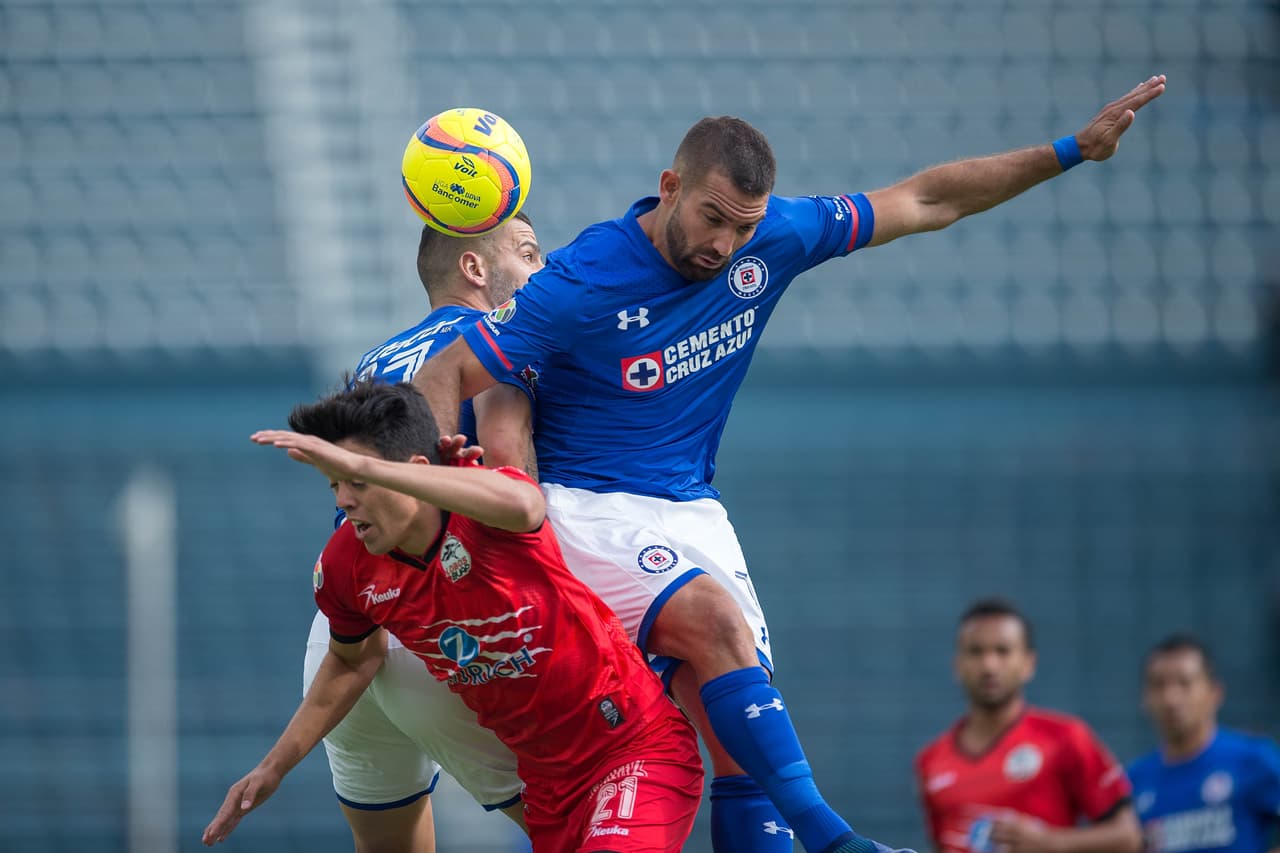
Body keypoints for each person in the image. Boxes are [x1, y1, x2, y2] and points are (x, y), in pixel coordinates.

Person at [412, 77, 1167, 853]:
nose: (724, 246)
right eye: (711, 218)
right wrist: (443, 527)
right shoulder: (583, 278)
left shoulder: (771, 237)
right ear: (669, 188)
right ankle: (837, 841)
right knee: (715, 625)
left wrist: (1072, 151)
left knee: (742, 743)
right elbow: (445, 374)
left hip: (691, 507)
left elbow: (925, 201)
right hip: (588, 503)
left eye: (742, 228)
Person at [208, 381, 703, 851]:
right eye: (334, 482)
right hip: (548, 784)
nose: (342, 500)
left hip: (633, 747)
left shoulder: (484, 505)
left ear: (417, 470)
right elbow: (350, 660)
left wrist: (384, 470)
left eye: (356, 479)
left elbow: (525, 501)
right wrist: (273, 767)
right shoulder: (346, 565)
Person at [204, 215, 544, 852]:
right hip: (444, 628)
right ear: (475, 270)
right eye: (528, 255)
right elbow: (518, 489)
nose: (541, 273)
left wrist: (273, 765)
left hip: (347, 629)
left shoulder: (375, 362)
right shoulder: (503, 346)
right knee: (584, 832)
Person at [914, 598, 1142, 853]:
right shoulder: (931, 761)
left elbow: (1129, 837)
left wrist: (1051, 843)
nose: (989, 665)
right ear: (957, 665)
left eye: (1003, 651)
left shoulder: (1065, 738)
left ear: (1028, 663)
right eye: (976, 652)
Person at [1128, 633, 1280, 853]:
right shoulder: (1135, 781)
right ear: (1144, 698)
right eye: (1159, 685)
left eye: (1185, 683)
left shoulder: (1253, 759)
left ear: (1214, 693)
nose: (1171, 698)